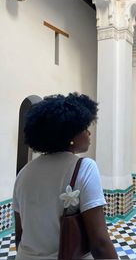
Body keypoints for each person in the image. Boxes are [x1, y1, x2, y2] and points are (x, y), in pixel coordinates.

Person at [13, 93, 118, 260]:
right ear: (71, 137)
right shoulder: (85, 167)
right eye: (85, 128)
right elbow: (99, 243)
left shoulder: (24, 173)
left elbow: (20, 235)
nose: (89, 134)